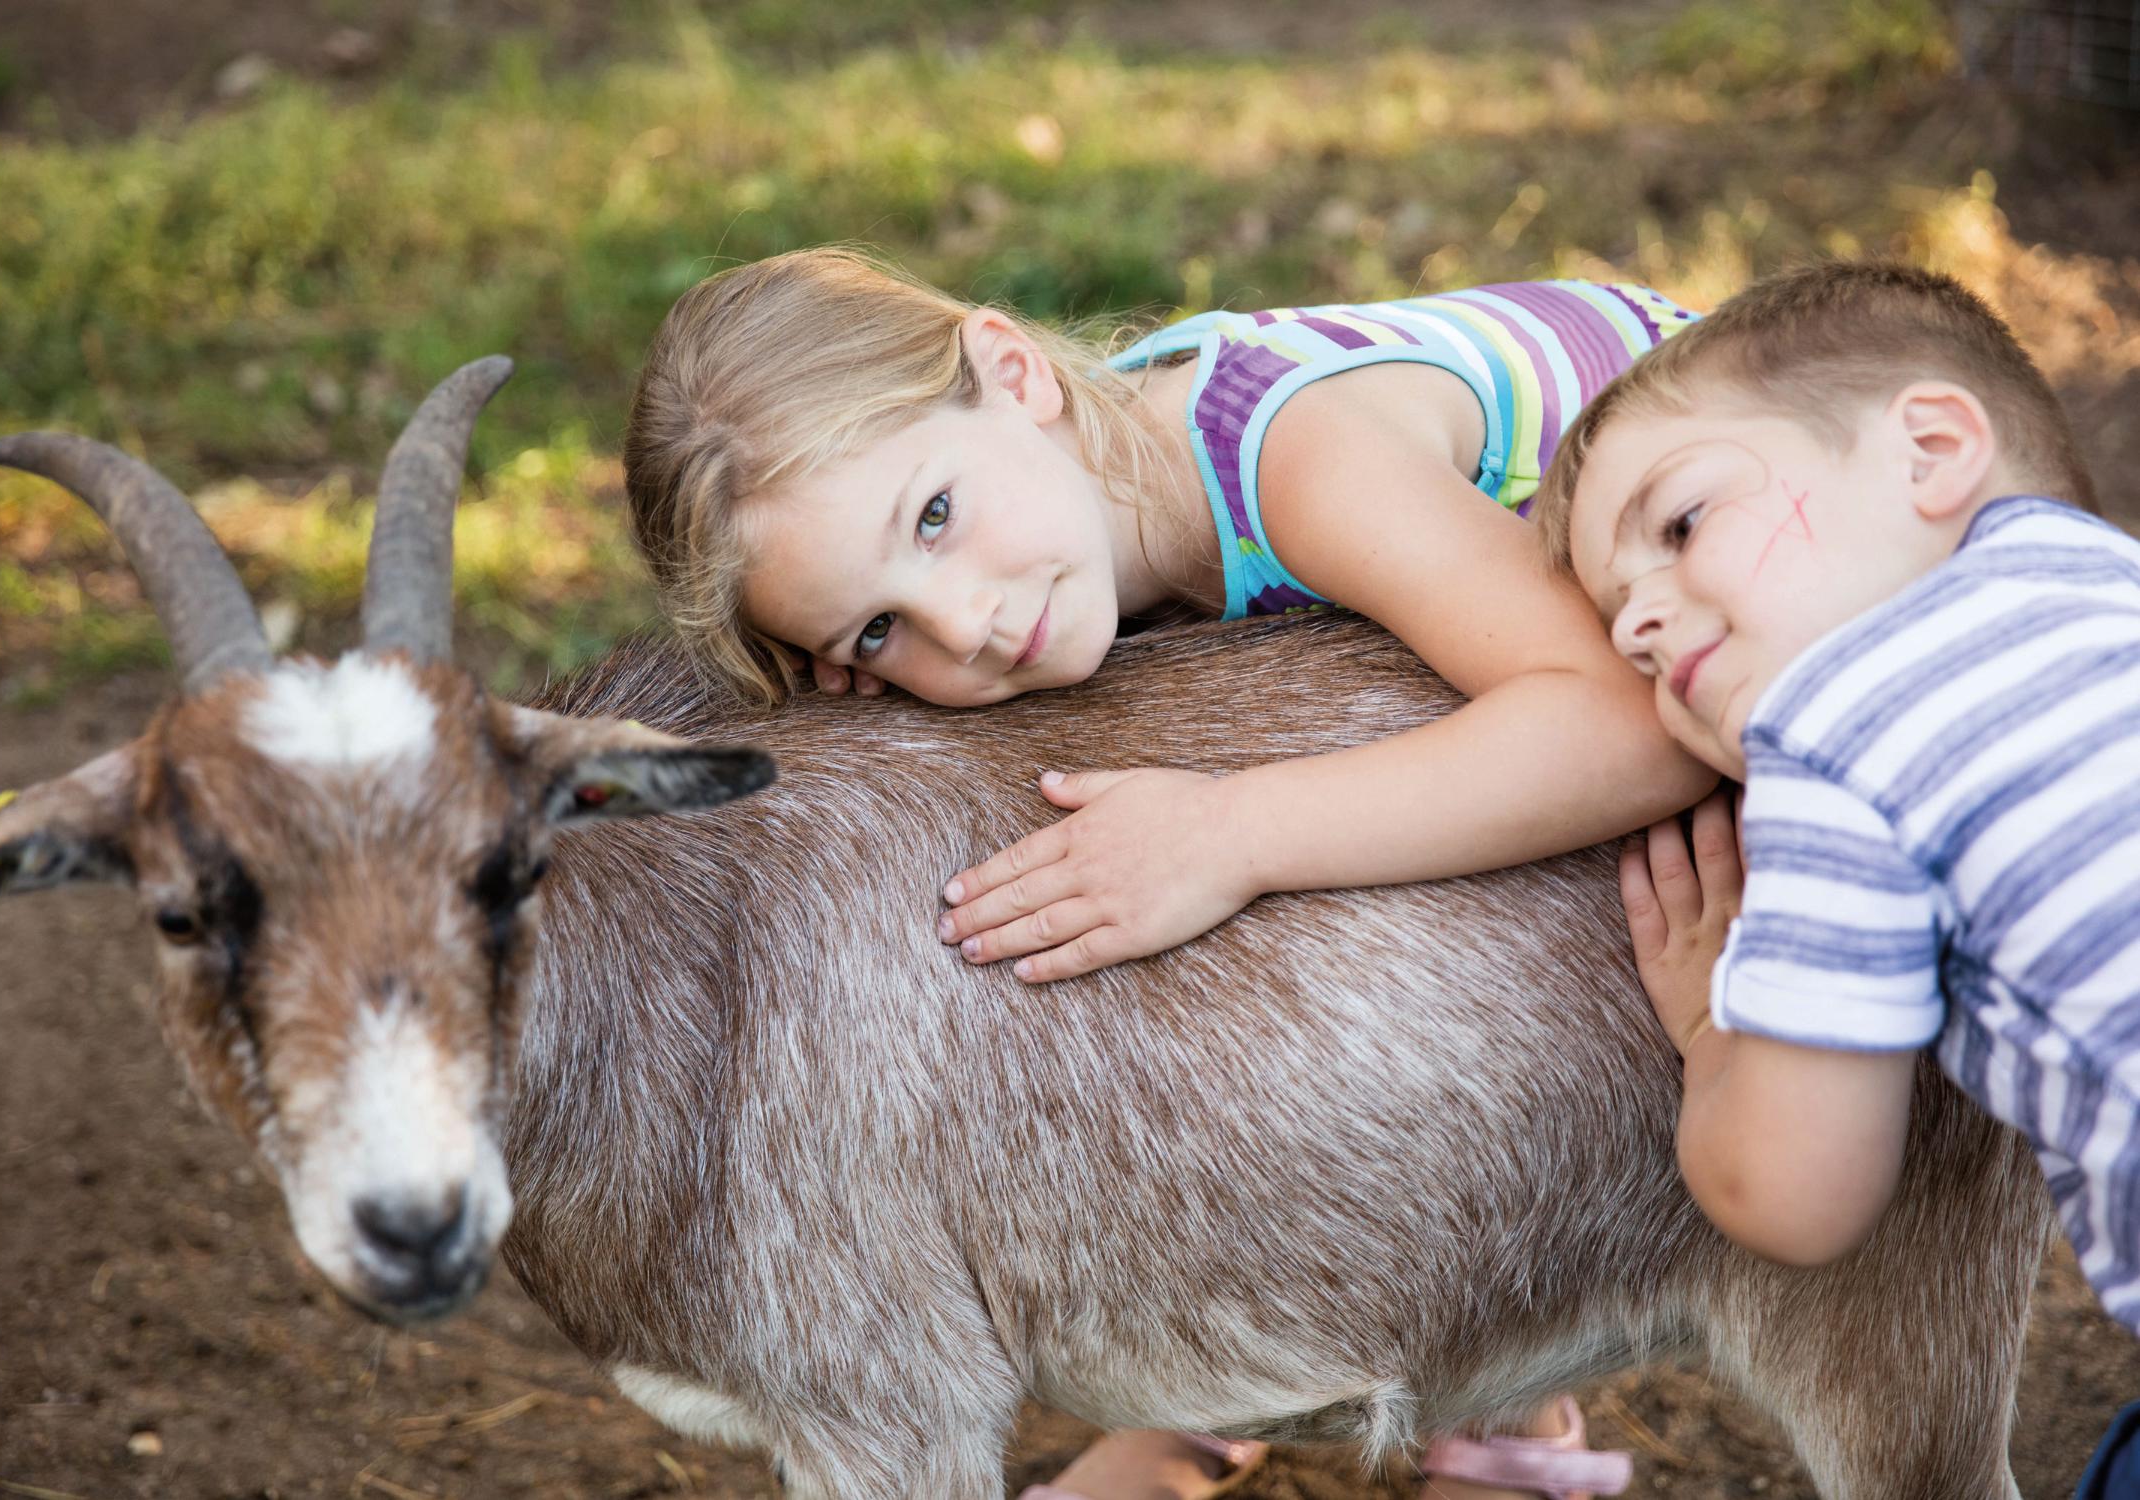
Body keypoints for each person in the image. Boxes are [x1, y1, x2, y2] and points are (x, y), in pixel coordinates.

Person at [623, 246, 1717, 1499]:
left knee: (1316, 841)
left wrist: (1233, 832)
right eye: (877, 628)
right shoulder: (1058, 519)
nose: (965, 621)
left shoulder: (1296, 461)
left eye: (933, 517)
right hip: (1510, 646)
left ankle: (1510, 1393)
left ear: (1015, 370)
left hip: (1752, 582)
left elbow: (1628, 732)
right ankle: (1239, 1392)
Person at [1534, 258, 2139, 1492]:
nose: (1641, 623)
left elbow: (1796, 1194)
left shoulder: (1838, 724)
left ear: (1931, 448)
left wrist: (1712, 1030)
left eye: (1681, 524)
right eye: (1616, 625)